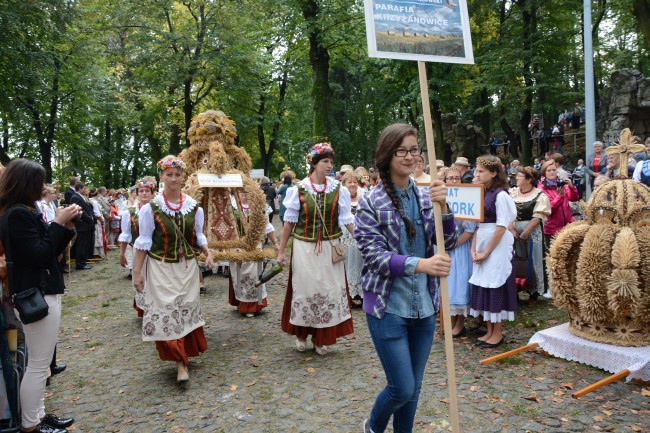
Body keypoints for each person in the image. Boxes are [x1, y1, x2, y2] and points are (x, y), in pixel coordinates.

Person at [354, 124, 456, 433]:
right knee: (402, 388)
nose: (410, 156)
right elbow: (374, 256)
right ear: (387, 155)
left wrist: (445, 207)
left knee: (414, 391)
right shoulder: (371, 202)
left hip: (424, 307)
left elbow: (447, 242)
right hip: (388, 308)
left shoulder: (427, 197)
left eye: (415, 149)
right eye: (402, 150)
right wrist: (422, 264)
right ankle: (373, 427)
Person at [0, 159, 79, 433]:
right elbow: (36, 255)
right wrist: (57, 221)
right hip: (37, 294)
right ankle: (31, 424)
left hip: (43, 290)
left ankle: (39, 416)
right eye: (40, 181)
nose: (44, 187)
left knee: (39, 362)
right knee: (38, 365)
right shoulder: (16, 215)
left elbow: (49, 248)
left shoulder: (23, 210)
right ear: (26, 183)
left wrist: (66, 228)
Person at [132, 155, 214, 383]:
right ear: (161, 176)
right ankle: (180, 363)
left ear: (183, 177)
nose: (174, 179)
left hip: (186, 269)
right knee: (168, 310)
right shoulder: (151, 209)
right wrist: (137, 273)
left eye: (178, 175)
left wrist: (208, 252)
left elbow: (198, 236)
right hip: (160, 268)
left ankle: (184, 356)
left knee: (185, 310)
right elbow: (144, 242)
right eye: (169, 174)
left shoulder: (194, 208)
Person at [276, 142, 355, 356]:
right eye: (325, 162)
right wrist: (281, 251)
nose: (329, 166)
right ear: (314, 164)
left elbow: (347, 219)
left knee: (328, 290)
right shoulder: (298, 189)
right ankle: (301, 334)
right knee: (306, 289)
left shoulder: (339, 189)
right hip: (305, 248)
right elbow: (289, 224)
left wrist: (363, 238)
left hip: (330, 247)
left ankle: (322, 338)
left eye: (331, 161)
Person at [469, 155, 517, 348]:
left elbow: (501, 227)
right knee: (485, 286)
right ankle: (489, 330)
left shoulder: (501, 195)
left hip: (496, 246)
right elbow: (477, 225)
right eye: (476, 170)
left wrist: (486, 252)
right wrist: (474, 250)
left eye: (481, 171)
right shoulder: (482, 192)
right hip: (482, 240)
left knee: (495, 285)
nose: (476, 174)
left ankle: (497, 332)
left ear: (494, 173)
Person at [508, 167, 551, 299]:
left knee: (534, 258)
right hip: (513, 232)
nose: (517, 178)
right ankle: (517, 287)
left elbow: (538, 217)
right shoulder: (512, 193)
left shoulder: (540, 195)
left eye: (520, 176)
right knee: (517, 258)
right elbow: (506, 212)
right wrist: (511, 229)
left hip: (532, 232)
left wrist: (526, 232)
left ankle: (535, 290)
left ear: (529, 180)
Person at [538, 160, 579, 298]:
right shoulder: (542, 188)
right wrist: (560, 197)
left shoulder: (562, 184)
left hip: (567, 224)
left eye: (553, 170)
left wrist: (572, 187)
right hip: (551, 227)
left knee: (569, 255)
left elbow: (575, 198)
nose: (552, 172)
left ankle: (569, 285)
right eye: (548, 170)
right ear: (544, 173)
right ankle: (552, 287)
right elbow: (548, 208)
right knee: (554, 258)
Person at [443, 167, 475, 337]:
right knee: (446, 284)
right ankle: (450, 320)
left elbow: (469, 230)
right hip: (442, 246)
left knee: (459, 283)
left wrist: (452, 245)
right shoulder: (440, 200)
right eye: (450, 178)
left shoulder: (466, 199)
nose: (454, 181)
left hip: (459, 246)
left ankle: (460, 323)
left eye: (457, 178)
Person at [119, 179, 156, 314]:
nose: (144, 194)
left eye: (147, 191)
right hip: (138, 251)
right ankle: (144, 307)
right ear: (136, 194)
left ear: (153, 194)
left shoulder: (158, 210)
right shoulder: (130, 213)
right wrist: (122, 254)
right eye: (141, 191)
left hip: (156, 251)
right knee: (141, 277)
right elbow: (125, 235)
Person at [340, 171, 363, 307]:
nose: (353, 184)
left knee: (360, 264)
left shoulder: (363, 197)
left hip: (359, 238)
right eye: (350, 182)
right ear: (344, 184)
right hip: (344, 239)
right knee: (346, 265)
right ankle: (347, 293)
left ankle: (360, 293)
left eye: (355, 182)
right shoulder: (340, 199)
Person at [69, 183, 96, 270]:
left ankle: (83, 261)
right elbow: (80, 211)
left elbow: (88, 209)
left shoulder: (82, 197)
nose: (86, 190)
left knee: (84, 244)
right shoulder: (75, 197)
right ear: (79, 188)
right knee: (82, 244)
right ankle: (80, 263)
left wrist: (92, 217)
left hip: (87, 224)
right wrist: (89, 219)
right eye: (84, 188)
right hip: (82, 224)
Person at [88, 188, 106, 259]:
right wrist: (101, 218)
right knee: (97, 236)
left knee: (96, 236)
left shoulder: (90, 200)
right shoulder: (94, 202)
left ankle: (95, 252)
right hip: (97, 220)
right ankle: (95, 253)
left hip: (94, 220)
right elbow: (96, 212)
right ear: (97, 194)